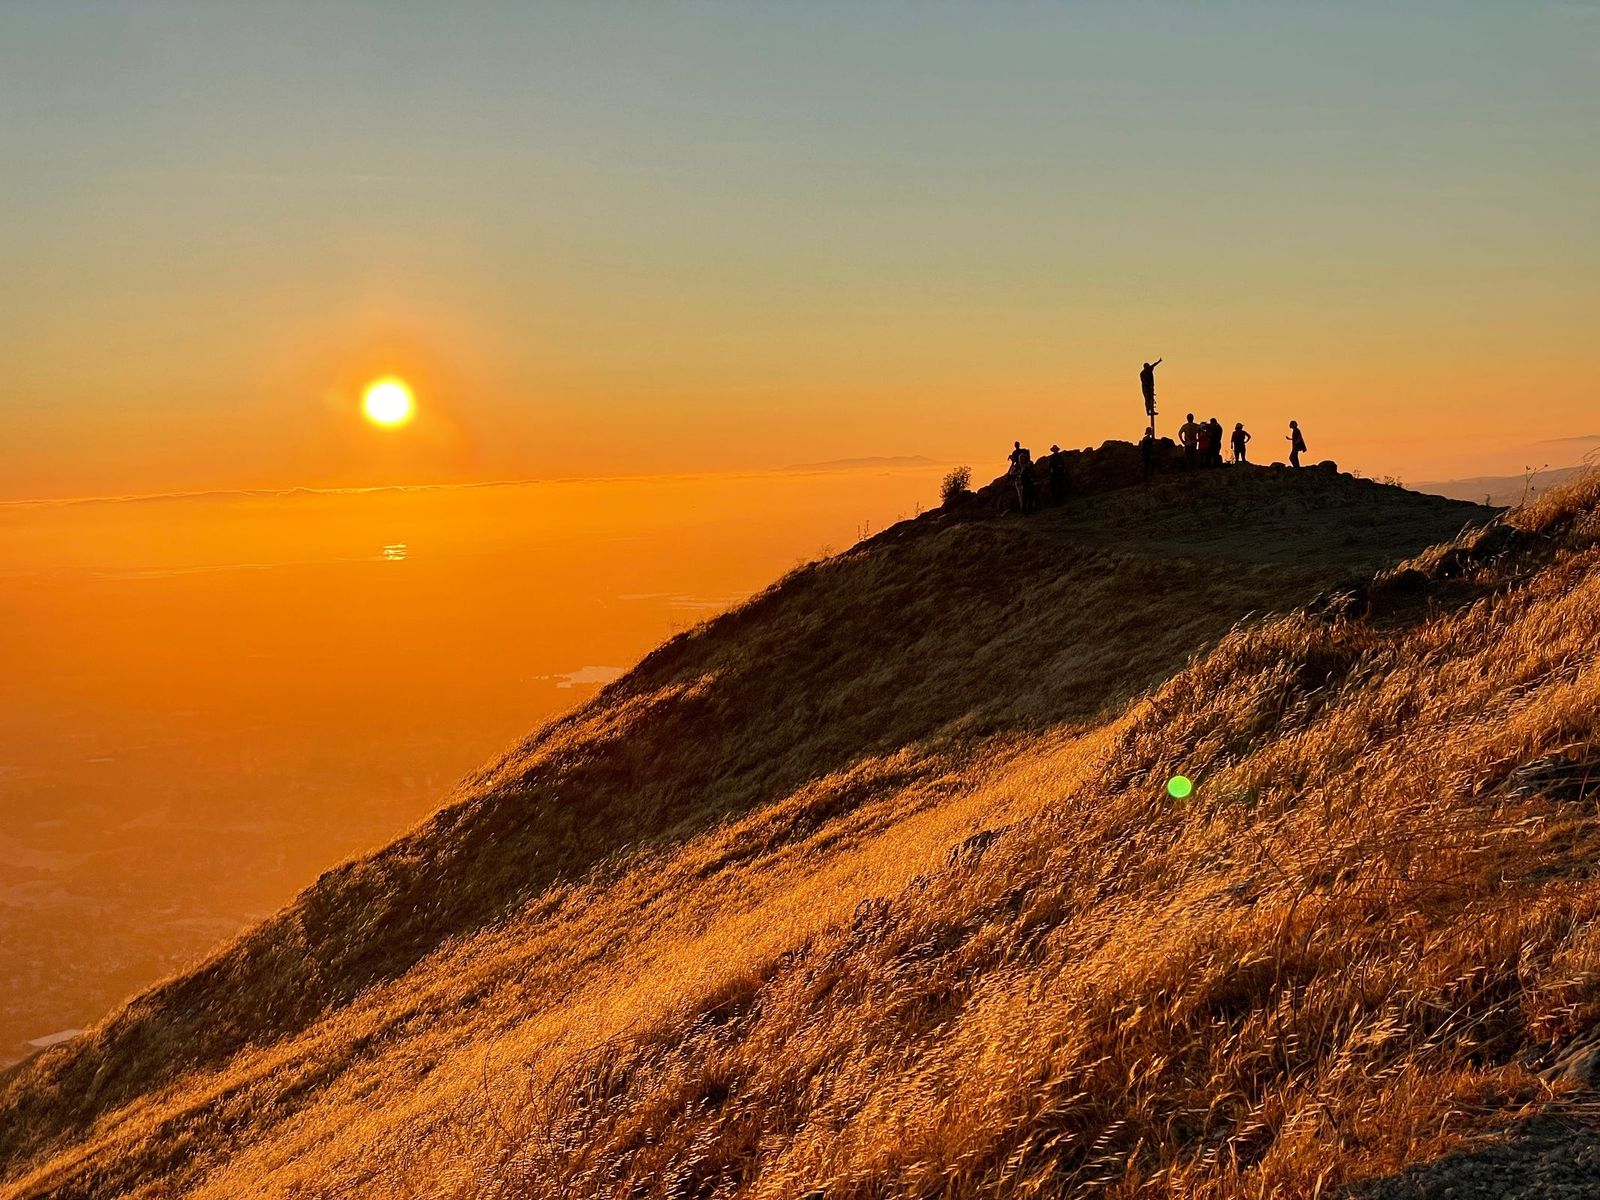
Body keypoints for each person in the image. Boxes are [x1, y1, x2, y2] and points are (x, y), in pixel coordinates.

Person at [1008, 441, 1036, 513]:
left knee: (1026, 496)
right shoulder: (1022, 453)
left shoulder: (1024, 464)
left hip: (1025, 481)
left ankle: (1028, 509)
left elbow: (1013, 462)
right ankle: (1025, 510)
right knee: (1023, 496)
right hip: (1021, 481)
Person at [1140, 359, 1162, 425]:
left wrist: (1159, 361)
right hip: (1146, 388)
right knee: (1147, 399)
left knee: (1151, 399)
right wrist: (1148, 386)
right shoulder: (1142, 373)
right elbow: (1144, 382)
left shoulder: (1149, 369)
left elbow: (1154, 364)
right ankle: (1148, 411)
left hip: (1150, 387)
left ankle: (1152, 410)